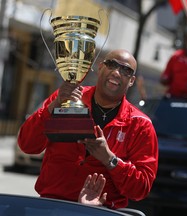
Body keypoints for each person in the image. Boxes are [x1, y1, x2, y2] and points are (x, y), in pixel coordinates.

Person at [17, 49, 159, 209]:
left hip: (103, 211)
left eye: (126, 70)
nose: (117, 73)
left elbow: (140, 189)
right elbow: (27, 145)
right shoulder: (68, 99)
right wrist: (54, 105)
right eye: (111, 64)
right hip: (51, 206)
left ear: (132, 80)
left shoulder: (140, 125)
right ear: (100, 67)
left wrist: (110, 159)